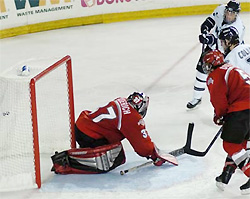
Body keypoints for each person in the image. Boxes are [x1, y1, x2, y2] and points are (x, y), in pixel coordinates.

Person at [51, 92, 178, 174]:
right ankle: (67, 161)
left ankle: (83, 153)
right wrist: (153, 155)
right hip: (89, 135)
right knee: (113, 159)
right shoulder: (132, 117)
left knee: (114, 148)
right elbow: (142, 146)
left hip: (82, 124)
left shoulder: (121, 100)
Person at [202, 49, 250, 195]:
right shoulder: (231, 68)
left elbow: (218, 100)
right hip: (246, 107)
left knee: (230, 144)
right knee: (238, 143)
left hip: (242, 109)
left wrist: (219, 116)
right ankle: (226, 175)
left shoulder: (215, 74)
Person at [187, 0, 245, 109]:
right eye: (228, 11)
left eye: (232, 13)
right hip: (215, 44)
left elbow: (223, 45)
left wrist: (209, 39)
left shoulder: (235, 28)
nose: (228, 15)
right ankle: (197, 98)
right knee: (201, 69)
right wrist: (205, 31)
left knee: (224, 80)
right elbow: (209, 22)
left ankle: (229, 105)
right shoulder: (220, 9)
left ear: (236, 14)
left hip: (228, 52)